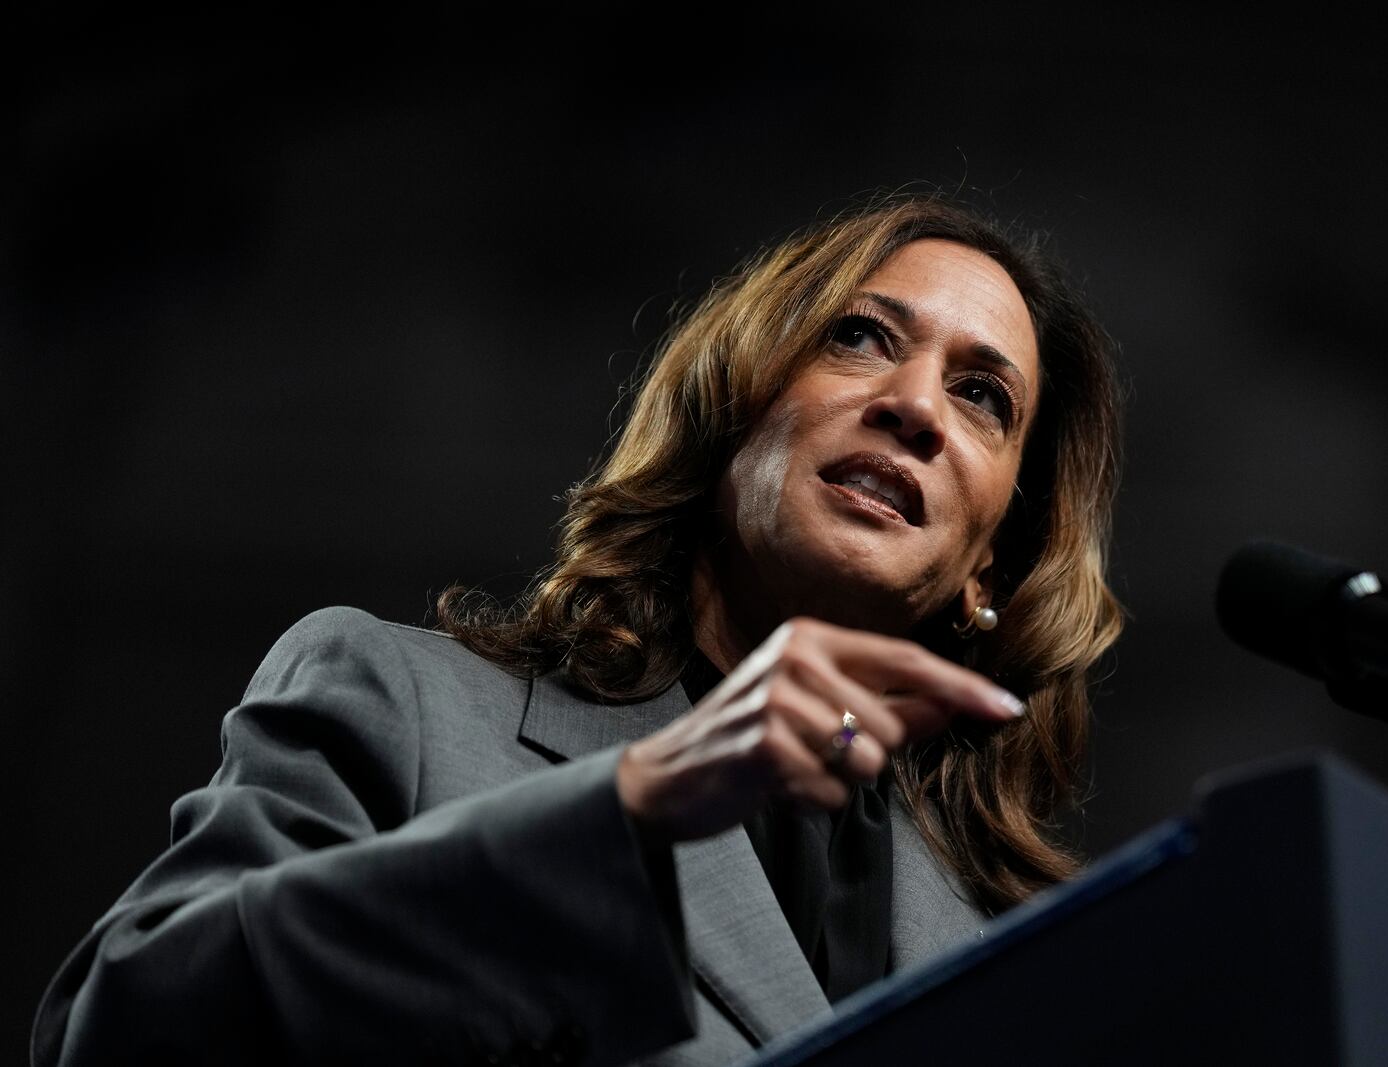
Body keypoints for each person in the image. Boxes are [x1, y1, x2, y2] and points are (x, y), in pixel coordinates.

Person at [31, 194, 1124, 1066]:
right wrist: (624, 813)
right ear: (732, 407)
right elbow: (127, 1023)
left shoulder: (1019, 944)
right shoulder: (403, 703)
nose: (917, 406)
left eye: (984, 396)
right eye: (859, 336)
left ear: (989, 561)